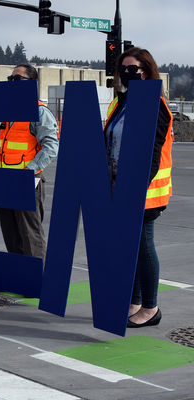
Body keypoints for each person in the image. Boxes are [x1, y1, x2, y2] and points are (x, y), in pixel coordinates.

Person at [104, 47, 173, 328]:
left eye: (134, 69)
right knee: (127, 247)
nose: (128, 73)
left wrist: (134, 188)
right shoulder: (122, 101)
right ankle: (133, 301)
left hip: (144, 191)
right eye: (124, 69)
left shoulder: (154, 104)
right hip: (118, 186)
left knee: (143, 246)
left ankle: (150, 307)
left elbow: (153, 153)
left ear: (148, 71)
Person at [0, 64, 59, 260]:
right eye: (10, 79)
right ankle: (18, 275)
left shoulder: (40, 112)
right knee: (10, 232)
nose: (12, 82)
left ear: (31, 83)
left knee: (30, 234)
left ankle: (37, 277)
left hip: (27, 181)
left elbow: (51, 146)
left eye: (17, 79)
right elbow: (1, 148)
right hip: (4, 180)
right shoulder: (9, 111)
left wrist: (29, 171)